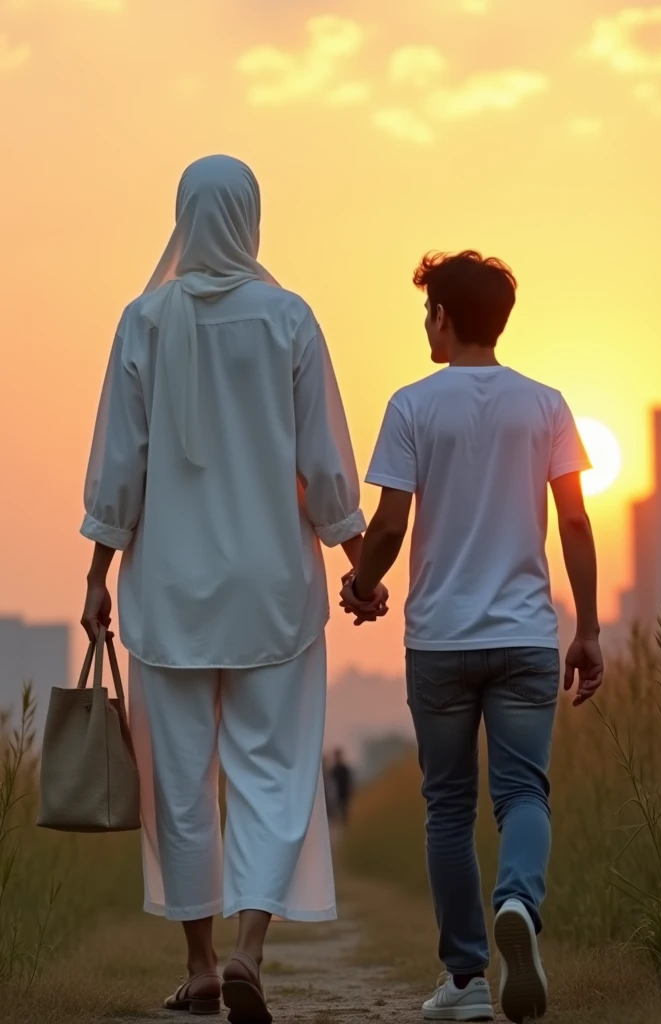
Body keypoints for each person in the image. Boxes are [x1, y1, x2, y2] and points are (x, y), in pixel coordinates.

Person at [79, 155, 387, 1022]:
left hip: (169, 596)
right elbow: (324, 465)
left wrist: (98, 575)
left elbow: (118, 466)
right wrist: (357, 566)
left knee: (177, 784)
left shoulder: (142, 321)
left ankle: (203, 965)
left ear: (182, 215)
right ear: (251, 218)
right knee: (276, 773)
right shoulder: (289, 319)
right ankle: (251, 950)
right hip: (272, 593)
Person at [340, 251, 604, 1023]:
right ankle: (517, 903)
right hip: (526, 636)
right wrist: (586, 628)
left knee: (449, 807)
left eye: (428, 311)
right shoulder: (548, 405)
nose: (427, 323)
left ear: (444, 318)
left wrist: (362, 587)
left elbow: (389, 523)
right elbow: (578, 521)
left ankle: (464, 981)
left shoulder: (413, 405)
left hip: (441, 641)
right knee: (523, 792)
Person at [329, 748, 354, 826]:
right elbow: (332, 783)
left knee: (344, 808)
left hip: (344, 791)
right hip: (337, 793)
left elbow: (348, 780)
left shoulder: (344, 768)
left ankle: (345, 823)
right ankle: (342, 823)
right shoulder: (334, 770)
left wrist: (349, 790)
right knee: (340, 808)